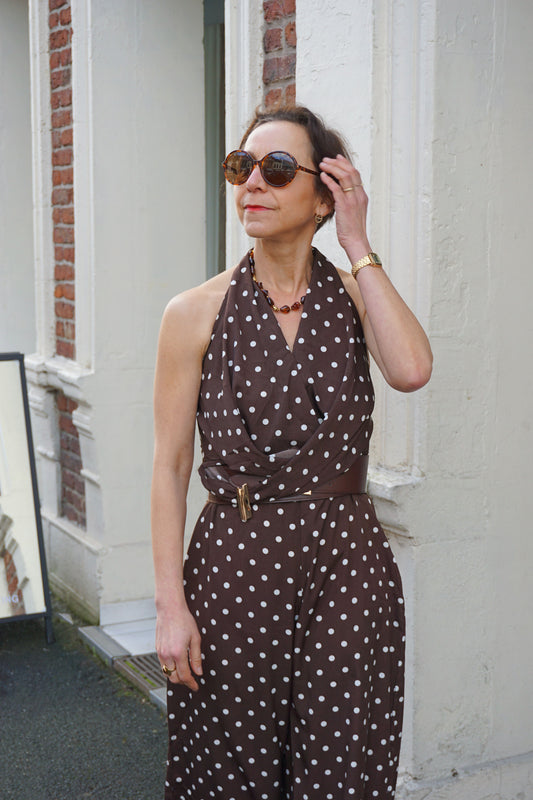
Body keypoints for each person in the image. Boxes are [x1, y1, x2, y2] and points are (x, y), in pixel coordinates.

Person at [151, 104, 432, 800]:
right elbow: (170, 465)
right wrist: (169, 606)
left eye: (276, 169)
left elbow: (410, 369)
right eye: (240, 166)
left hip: (344, 564)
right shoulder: (194, 312)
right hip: (234, 563)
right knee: (233, 769)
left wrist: (358, 241)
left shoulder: (353, 294)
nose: (252, 182)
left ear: (323, 196)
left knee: (338, 766)